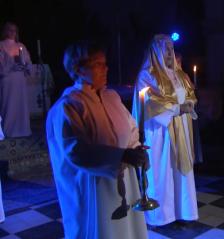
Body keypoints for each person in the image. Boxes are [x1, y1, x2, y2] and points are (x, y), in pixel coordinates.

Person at [46, 42, 148, 239]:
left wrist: (137, 150)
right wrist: (121, 156)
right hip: (94, 187)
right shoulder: (69, 106)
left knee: (127, 231)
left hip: (125, 178)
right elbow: (77, 151)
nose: (106, 68)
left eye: (105, 63)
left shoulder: (112, 97)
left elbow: (131, 129)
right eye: (98, 64)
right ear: (78, 69)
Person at [132, 34, 198, 226]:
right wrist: (177, 108)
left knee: (180, 173)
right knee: (163, 172)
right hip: (160, 132)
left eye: (171, 48)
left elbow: (190, 94)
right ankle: (161, 215)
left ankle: (183, 211)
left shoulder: (180, 74)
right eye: (166, 48)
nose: (170, 52)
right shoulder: (147, 75)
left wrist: (189, 103)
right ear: (156, 52)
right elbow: (151, 103)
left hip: (181, 128)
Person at [0, 22, 32, 138]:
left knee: (20, 105)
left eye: (14, 30)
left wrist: (25, 66)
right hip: (8, 79)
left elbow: (27, 61)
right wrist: (10, 67)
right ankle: (8, 130)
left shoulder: (21, 46)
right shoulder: (1, 45)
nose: (12, 32)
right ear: (5, 31)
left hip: (19, 80)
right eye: (10, 30)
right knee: (8, 104)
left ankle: (22, 130)